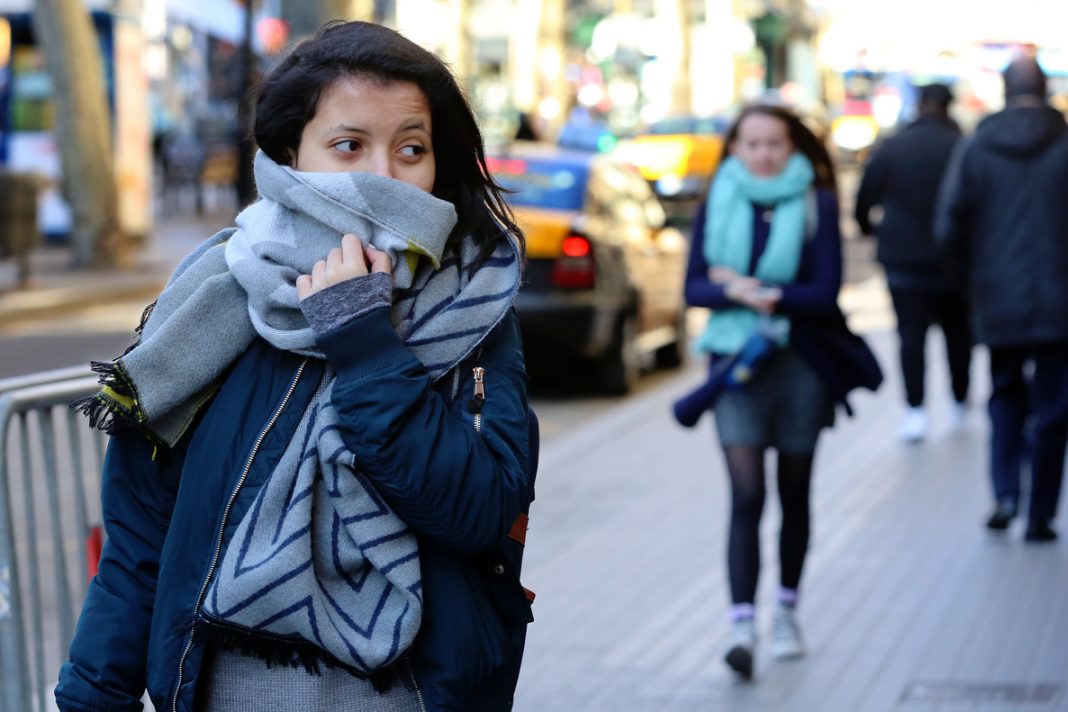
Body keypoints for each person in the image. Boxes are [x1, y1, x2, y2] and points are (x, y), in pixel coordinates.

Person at [56, 21, 536, 712]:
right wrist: (92, 697)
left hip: (407, 693)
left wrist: (364, 342)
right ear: (290, 154)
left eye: (411, 149)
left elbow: (478, 511)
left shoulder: (475, 309)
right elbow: (140, 539)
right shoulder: (211, 299)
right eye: (349, 146)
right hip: (226, 686)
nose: (382, 177)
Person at [683, 105, 880, 680]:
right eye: (753, 143)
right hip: (736, 366)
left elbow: (825, 293)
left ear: (793, 148)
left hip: (800, 365)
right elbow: (695, 286)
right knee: (747, 496)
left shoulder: (816, 202)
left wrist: (751, 290)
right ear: (736, 149)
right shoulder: (716, 198)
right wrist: (741, 293)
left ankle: (788, 610)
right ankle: (742, 625)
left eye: (775, 144)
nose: (764, 154)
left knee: (795, 492)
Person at [934, 56, 1068, 543]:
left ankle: (1005, 495)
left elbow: (949, 227)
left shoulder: (977, 147)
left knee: (1005, 393)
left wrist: (970, 283)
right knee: (1054, 407)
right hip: (1059, 303)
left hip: (998, 297)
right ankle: (1041, 514)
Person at [855, 83, 971, 443]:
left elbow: (864, 199)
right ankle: (960, 402)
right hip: (954, 260)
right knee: (958, 334)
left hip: (903, 259)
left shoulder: (894, 146)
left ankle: (915, 410)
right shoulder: (962, 147)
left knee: (910, 336)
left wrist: (872, 230)